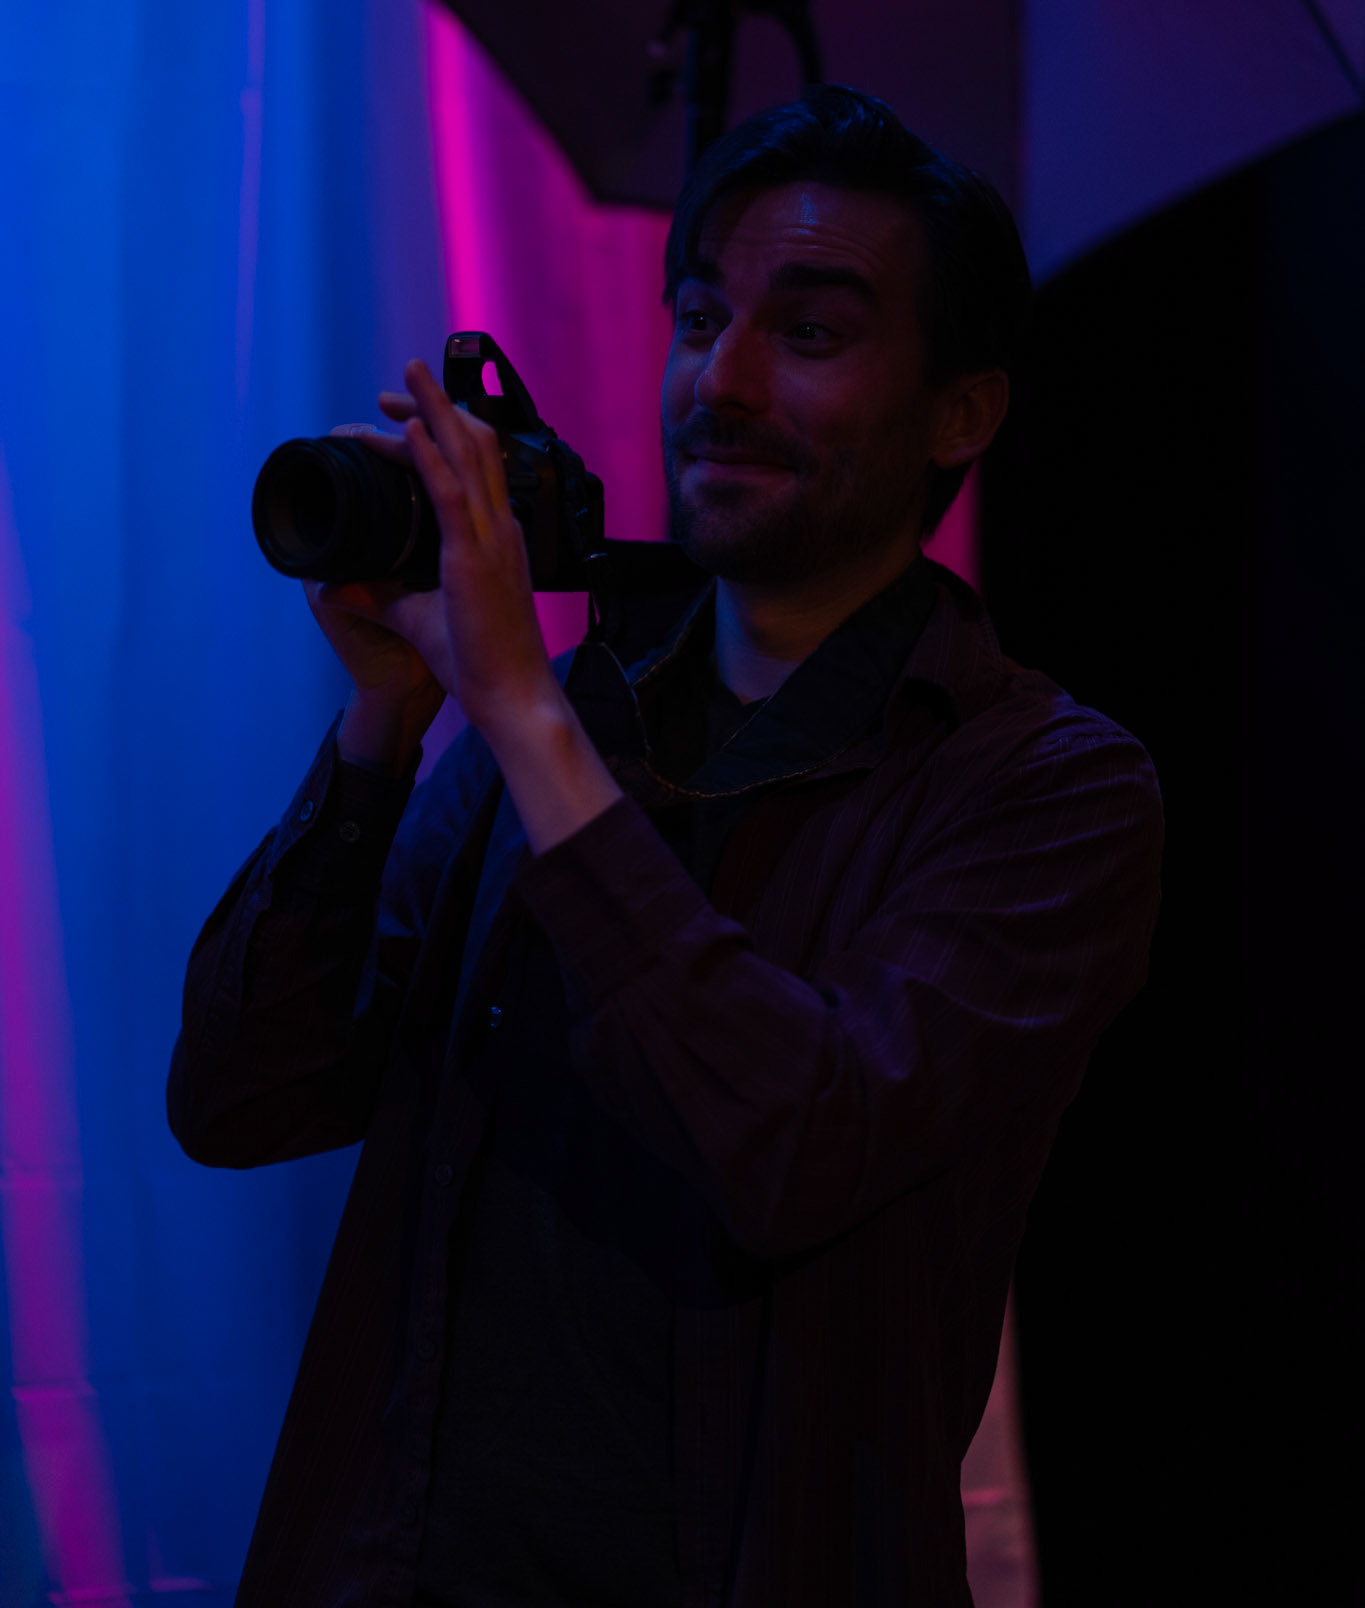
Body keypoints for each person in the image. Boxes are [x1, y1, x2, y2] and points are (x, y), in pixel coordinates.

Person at [169, 85, 1163, 1608]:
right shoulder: (569, 716)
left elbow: (795, 1146)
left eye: (809, 333)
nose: (724, 380)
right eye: (699, 320)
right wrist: (383, 727)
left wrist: (523, 716)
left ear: (961, 411)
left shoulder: (1044, 788)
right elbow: (246, 1097)